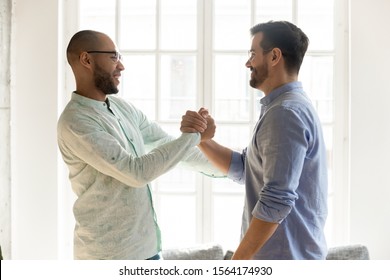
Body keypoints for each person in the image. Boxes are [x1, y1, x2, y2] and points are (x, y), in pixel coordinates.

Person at [57, 30, 220, 260]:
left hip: (148, 249)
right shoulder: (76, 121)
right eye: (113, 57)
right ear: (86, 59)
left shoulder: (122, 108)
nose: (121, 66)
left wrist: (236, 168)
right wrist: (195, 136)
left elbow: (168, 145)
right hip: (108, 257)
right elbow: (136, 172)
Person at [181, 21, 328, 259]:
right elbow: (246, 169)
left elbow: (277, 199)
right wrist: (203, 140)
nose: (247, 62)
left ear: (274, 56)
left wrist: (238, 263)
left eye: (252, 54)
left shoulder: (285, 113)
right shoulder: (282, 108)